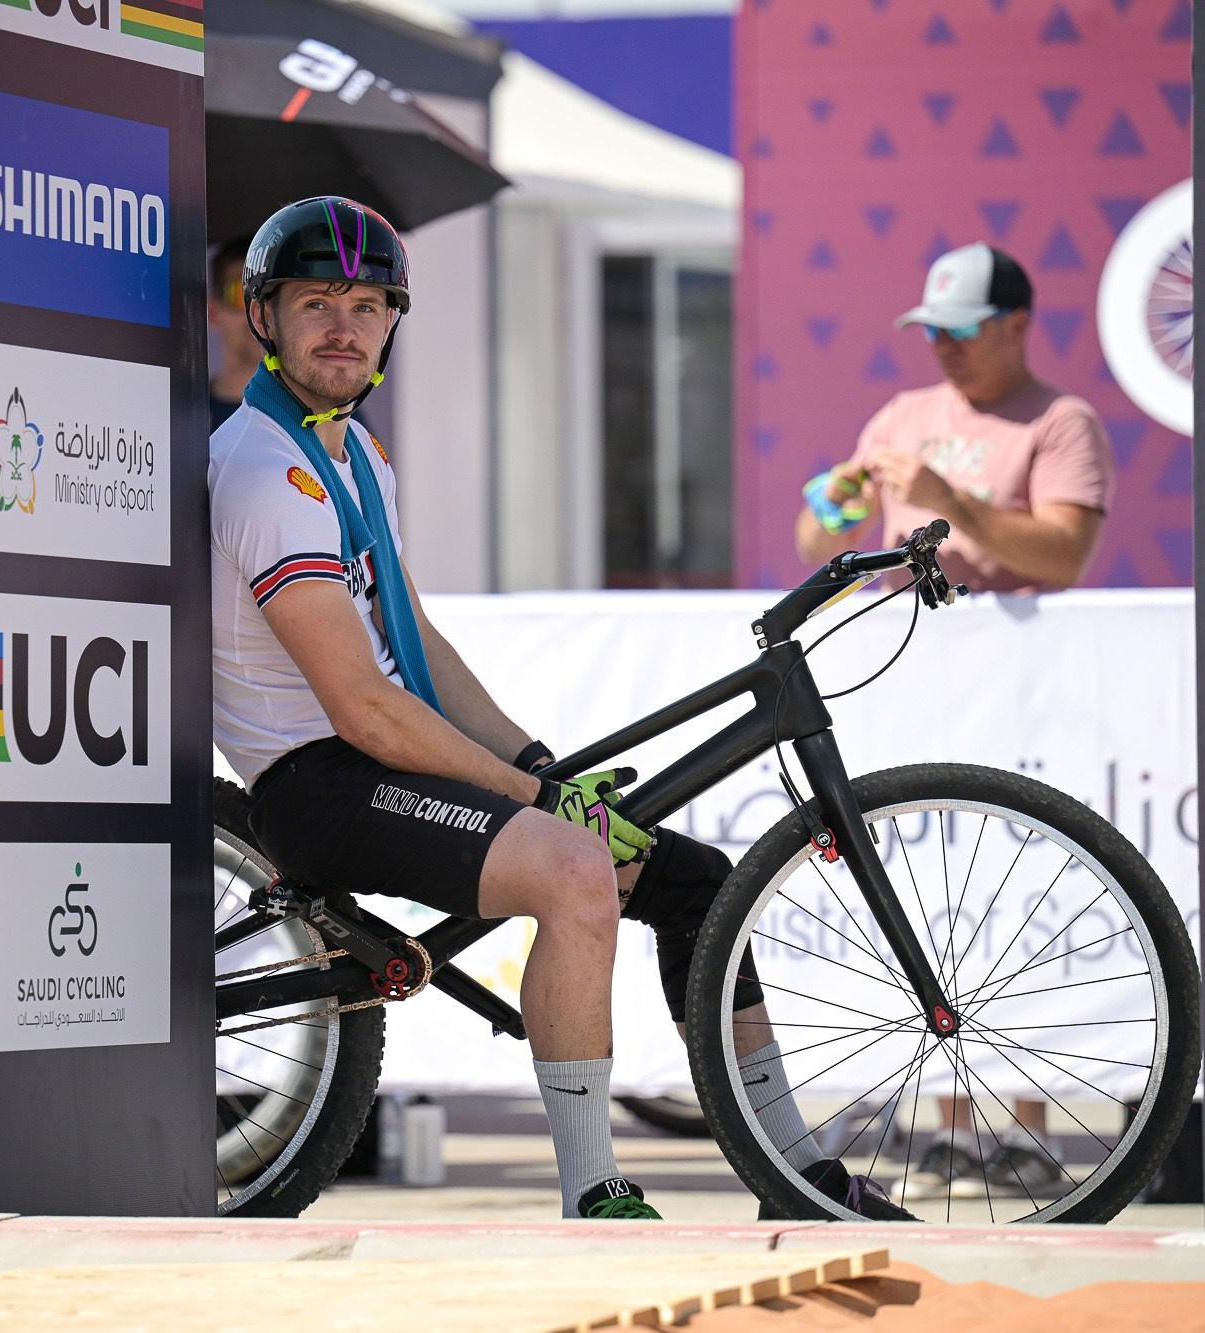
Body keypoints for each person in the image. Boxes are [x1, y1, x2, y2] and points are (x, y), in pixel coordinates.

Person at [211, 197, 916, 1222]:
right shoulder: (263, 470)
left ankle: (797, 1175)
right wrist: (532, 794)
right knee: (576, 868)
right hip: (316, 783)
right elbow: (361, 705)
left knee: (695, 882)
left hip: (383, 761)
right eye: (315, 301)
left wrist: (545, 762)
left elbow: (418, 645)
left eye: (367, 306)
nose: (342, 327)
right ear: (262, 316)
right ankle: (594, 1191)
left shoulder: (355, 455)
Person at [794, 242, 1114, 1198]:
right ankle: (942, 1125)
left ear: (1017, 326)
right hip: (902, 675)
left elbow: (1063, 554)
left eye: (963, 333)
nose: (945, 351)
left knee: (1012, 889)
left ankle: (1022, 1122)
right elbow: (817, 533)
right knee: (919, 892)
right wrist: (836, 500)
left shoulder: (1061, 420)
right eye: (932, 333)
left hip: (1015, 686)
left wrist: (950, 500)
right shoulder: (902, 414)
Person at [207, 237, 257, 431]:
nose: (257, 313)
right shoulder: (180, 416)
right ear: (213, 312)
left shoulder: (326, 421)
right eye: (239, 294)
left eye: (270, 294)